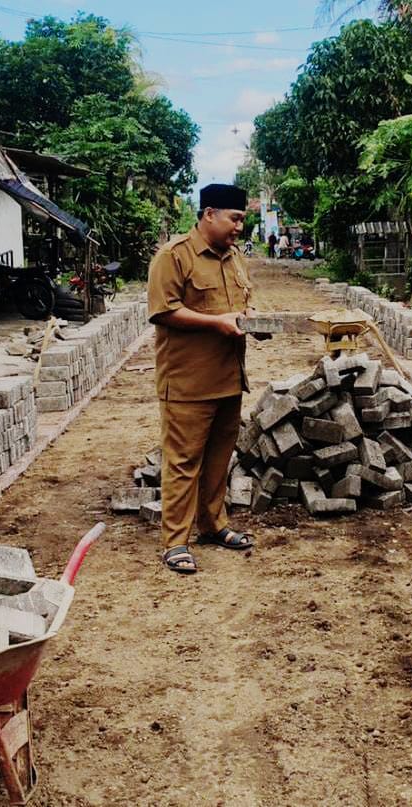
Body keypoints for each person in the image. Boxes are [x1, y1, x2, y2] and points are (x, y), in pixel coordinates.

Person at [147, 183, 256, 574]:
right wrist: (217, 323)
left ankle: (213, 525)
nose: (240, 227)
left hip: (228, 378)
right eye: (235, 219)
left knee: (218, 460)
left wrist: (251, 320)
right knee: (183, 463)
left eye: (242, 220)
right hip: (188, 382)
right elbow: (163, 311)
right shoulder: (174, 256)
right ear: (209, 214)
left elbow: (242, 304)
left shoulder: (234, 258)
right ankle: (175, 542)